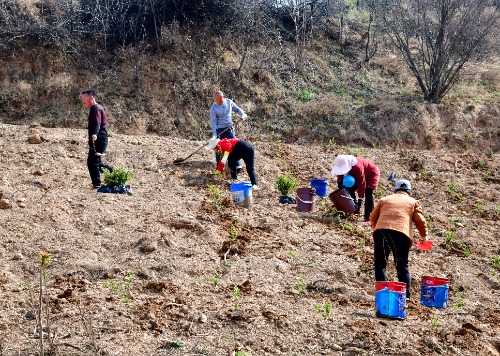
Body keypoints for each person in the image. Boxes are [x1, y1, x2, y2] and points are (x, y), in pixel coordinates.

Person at [369, 179, 428, 298]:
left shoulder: (385, 199)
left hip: (381, 232)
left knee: (380, 264)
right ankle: (405, 297)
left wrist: (378, 229)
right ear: (409, 191)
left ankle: (382, 295)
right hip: (401, 234)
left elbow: (373, 217)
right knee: (402, 265)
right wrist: (424, 236)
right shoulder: (413, 202)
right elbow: (420, 221)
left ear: (395, 189)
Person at [79, 89, 113, 188]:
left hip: (99, 138)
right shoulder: (96, 108)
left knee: (92, 162)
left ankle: (97, 183)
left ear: (91, 97)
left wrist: (94, 134)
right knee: (96, 162)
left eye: (83, 98)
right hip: (99, 138)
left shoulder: (96, 108)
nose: (82, 100)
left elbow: (97, 123)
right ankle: (111, 172)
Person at [331, 154, 380, 221]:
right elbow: (340, 177)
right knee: (350, 190)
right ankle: (353, 210)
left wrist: (360, 200)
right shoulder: (342, 165)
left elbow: (362, 183)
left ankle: (369, 217)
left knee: (368, 192)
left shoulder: (357, 167)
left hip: (371, 173)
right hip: (356, 175)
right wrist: (341, 188)